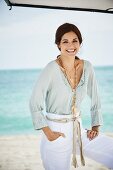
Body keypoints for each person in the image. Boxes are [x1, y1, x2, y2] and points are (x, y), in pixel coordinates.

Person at [29, 23, 113, 170]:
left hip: (78, 128)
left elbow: (95, 98)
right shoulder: (51, 68)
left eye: (75, 40)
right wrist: (48, 133)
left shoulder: (87, 67)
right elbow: (34, 102)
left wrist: (95, 125)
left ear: (80, 43)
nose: (71, 45)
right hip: (56, 131)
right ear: (58, 45)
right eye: (65, 41)